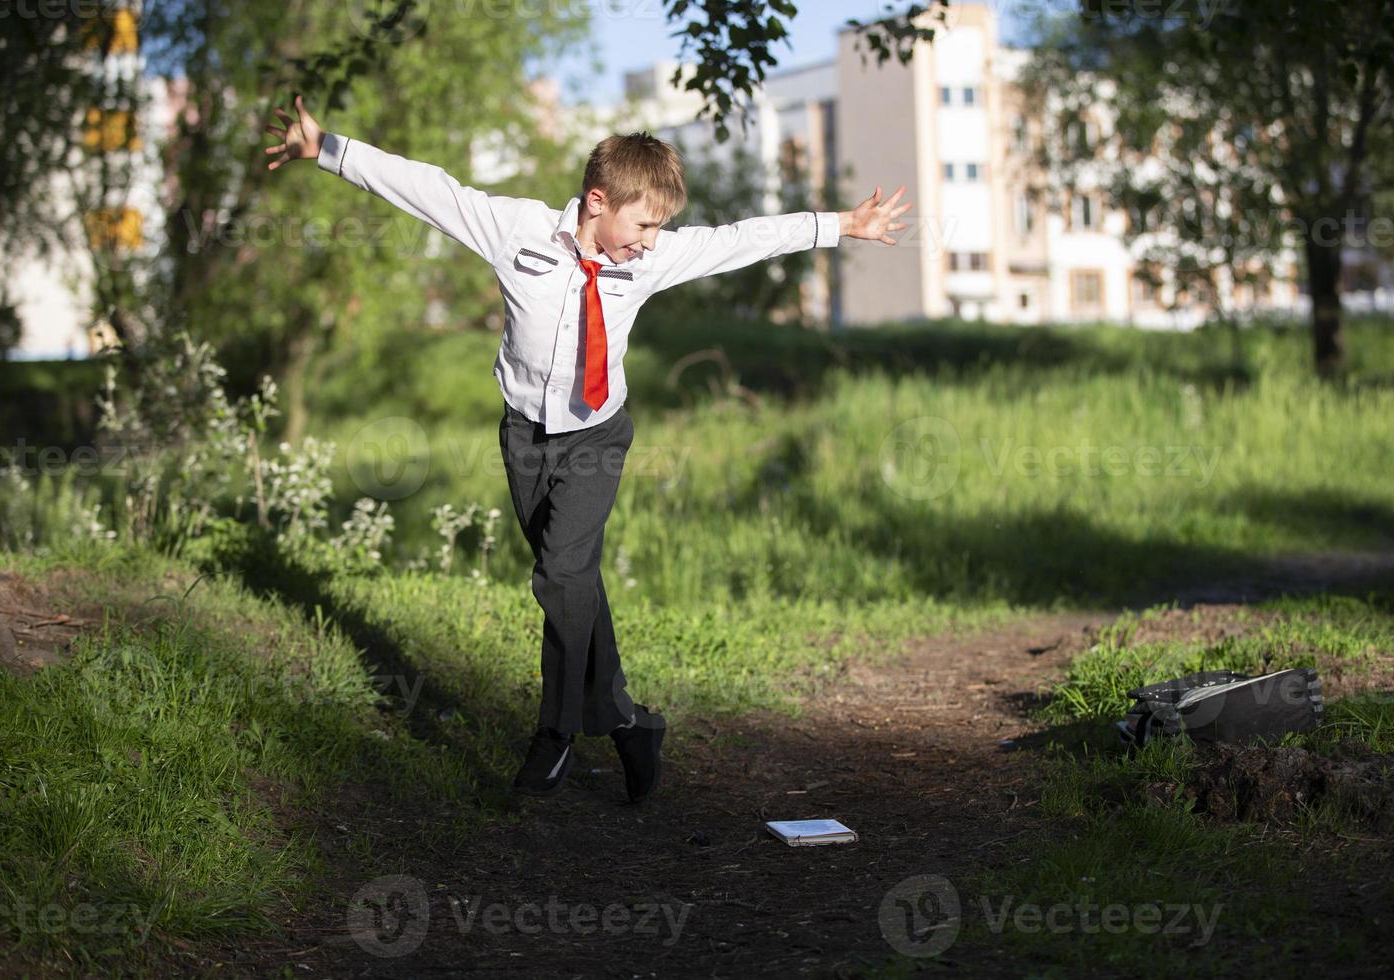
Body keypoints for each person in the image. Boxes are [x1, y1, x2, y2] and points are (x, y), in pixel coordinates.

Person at [264, 93, 913, 802]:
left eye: (659, 228)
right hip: (524, 436)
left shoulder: (651, 257)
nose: (651, 240)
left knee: (558, 576)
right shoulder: (515, 230)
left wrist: (842, 224)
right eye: (642, 223)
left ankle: (556, 735)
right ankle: (629, 723)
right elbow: (430, 191)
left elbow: (738, 238)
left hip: (597, 435)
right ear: (598, 200)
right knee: (573, 578)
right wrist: (329, 148)